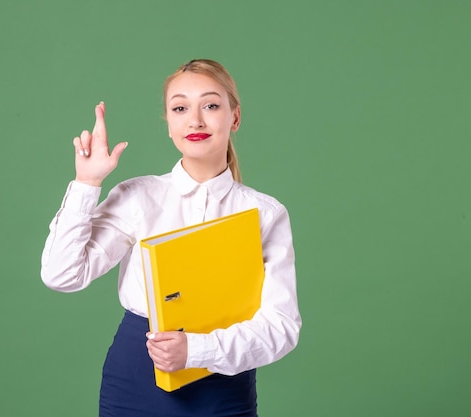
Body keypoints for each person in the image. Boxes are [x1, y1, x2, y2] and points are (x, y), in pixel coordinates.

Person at [41, 59, 301, 417]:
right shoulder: (138, 196)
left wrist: (195, 352)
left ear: (235, 117)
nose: (195, 120)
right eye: (180, 108)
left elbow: (281, 327)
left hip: (224, 386)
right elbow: (61, 275)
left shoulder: (265, 213)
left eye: (211, 105)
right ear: (168, 124)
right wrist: (86, 185)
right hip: (136, 376)